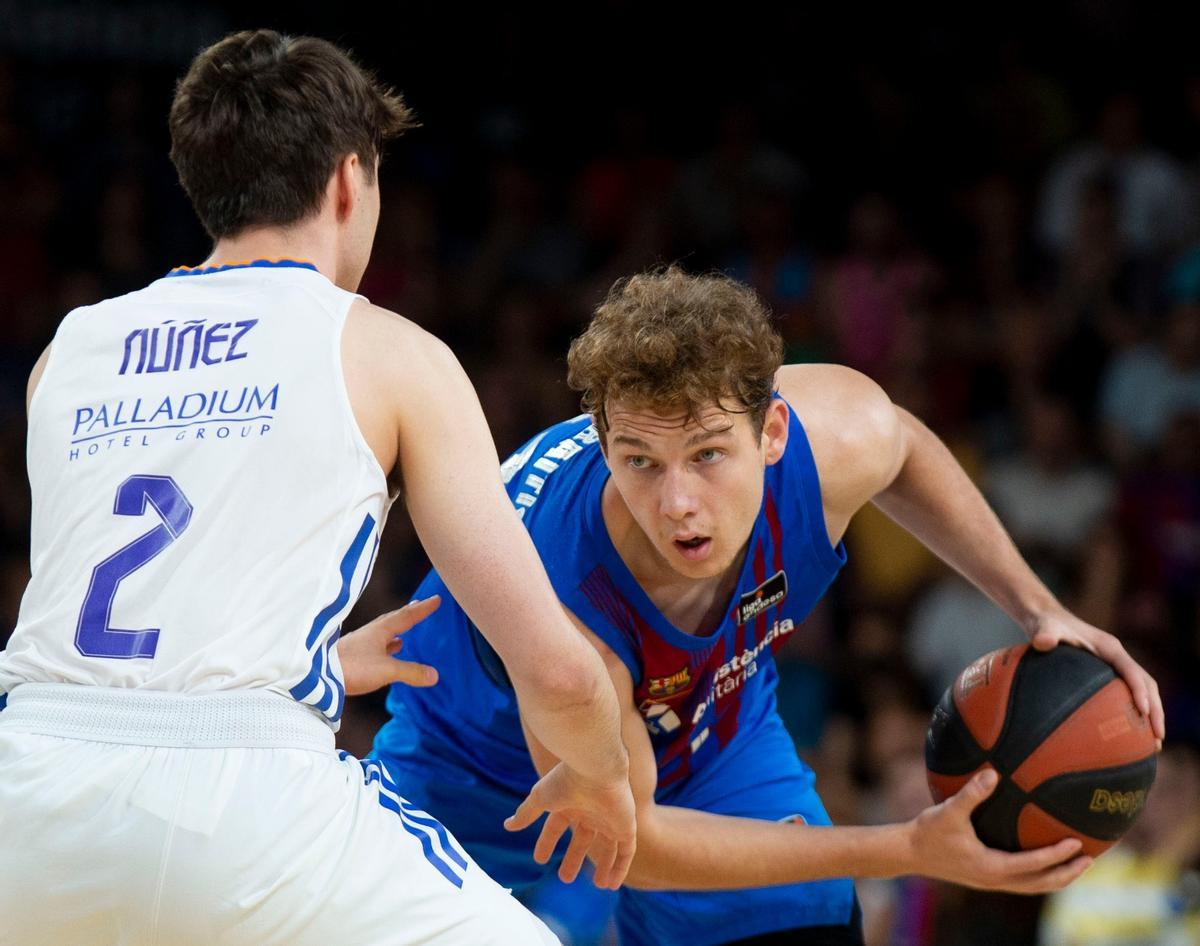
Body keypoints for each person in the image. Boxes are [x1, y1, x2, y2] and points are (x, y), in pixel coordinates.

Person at [0, 29, 635, 946]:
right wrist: (604, 772)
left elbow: (119, 646)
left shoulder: (67, 352)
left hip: (28, 799)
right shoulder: (386, 351)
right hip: (243, 813)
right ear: (348, 181)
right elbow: (561, 672)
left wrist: (318, 667)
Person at [359, 267, 1166, 946]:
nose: (679, 502)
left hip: (712, 741)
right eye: (639, 462)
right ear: (603, 445)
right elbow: (631, 841)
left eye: (708, 453)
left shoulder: (838, 433)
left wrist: (1038, 608)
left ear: (773, 432)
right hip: (475, 777)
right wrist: (905, 847)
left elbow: (905, 446)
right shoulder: (559, 603)